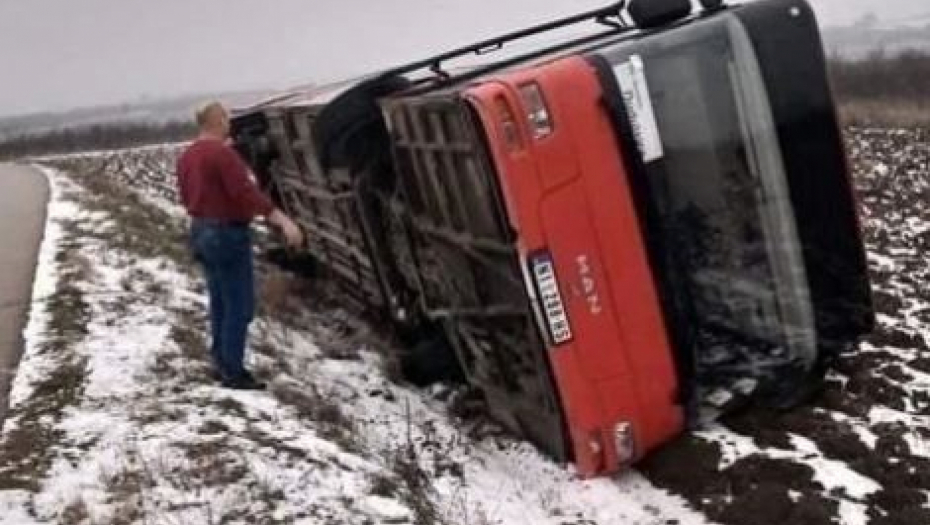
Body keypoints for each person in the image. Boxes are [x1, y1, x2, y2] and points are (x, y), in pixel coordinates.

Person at [176, 101, 303, 390]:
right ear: (218, 120)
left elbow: (185, 196)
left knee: (219, 300)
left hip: (201, 230)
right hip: (226, 234)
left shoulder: (187, 156)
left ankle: (221, 362)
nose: (230, 124)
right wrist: (282, 219)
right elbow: (245, 193)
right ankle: (234, 372)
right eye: (227, 119)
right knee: (240, 305)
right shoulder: (223, 155)